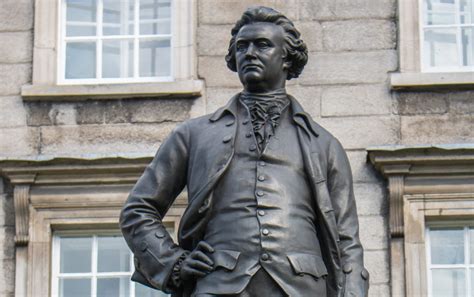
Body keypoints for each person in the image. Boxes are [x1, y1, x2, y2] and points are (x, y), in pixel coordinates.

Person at [120, 6, 369, 297]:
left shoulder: (324, 144)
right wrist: (174, 262)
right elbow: (138, 210)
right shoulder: (193, 134)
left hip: (301, 286)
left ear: (287, 58)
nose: (249, 53)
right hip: (219, 284)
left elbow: (346, 237)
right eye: (242, 46)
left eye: (262, 45)